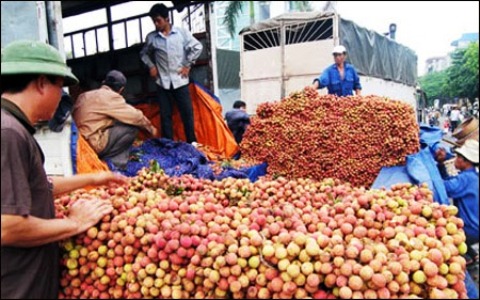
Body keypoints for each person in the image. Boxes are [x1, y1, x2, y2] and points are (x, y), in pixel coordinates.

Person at [1, 40, 128, 299]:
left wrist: (92, 178)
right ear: (41, 83)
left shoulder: (12, 127)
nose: (63, 97)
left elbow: (37, 186)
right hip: (16, 287)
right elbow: (7, 226)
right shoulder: (8, 133)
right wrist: (75, 223)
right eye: (61, 87)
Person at [140, 3, 203, 145]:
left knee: (187, 113)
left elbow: (197, 47)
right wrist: (151, 66)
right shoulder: (152, 38)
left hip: (180, 81)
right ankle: (168, 145)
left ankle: (192, 142)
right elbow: (143, 54)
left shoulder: (181, 33)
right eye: (154, 21)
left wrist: (188, 64)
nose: (156, 24)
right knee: (165, 116)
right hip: (162, 83)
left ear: (167, 19)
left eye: (158, 20)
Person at [73, 70, 157, 169]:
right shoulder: (111, 96)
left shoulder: (84, 95)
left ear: (104, 82)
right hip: (93, 144)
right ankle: (115, 163)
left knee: (116, 120)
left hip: (79, 146)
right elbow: (136, 117)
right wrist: (151, 129)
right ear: (121, 89)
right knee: (132, 127)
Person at [435, 139, 479, 266]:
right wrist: (441, 165)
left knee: (442, 231)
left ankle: (463, 256)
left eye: (458, 156)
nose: (455, 159)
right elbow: (451, 182)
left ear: (465, 161)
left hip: (471, 230)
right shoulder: (472, 176)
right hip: (476, 227)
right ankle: (472, 254)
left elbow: (444, 187)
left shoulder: (465, 179)